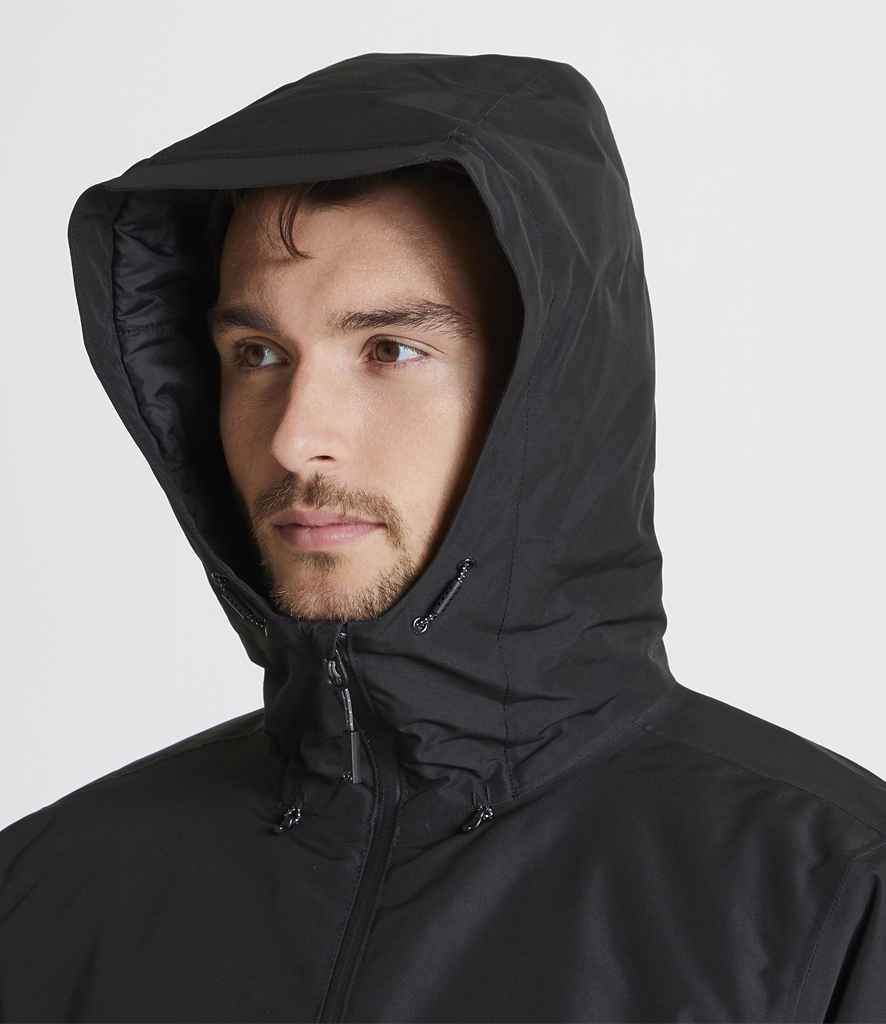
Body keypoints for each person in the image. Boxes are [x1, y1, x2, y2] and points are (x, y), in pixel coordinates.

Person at [1, 50, 884, 1023]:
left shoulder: (836, 904)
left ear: (545, 397)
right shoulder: (45, 896)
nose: (294, 436)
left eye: (391, 349)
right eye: (257, 353)